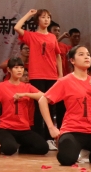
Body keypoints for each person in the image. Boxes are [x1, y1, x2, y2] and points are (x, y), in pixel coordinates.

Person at [14, 9, 62, 150]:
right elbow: (17, 27)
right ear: (37, 20)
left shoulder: (52, 37)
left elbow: (58, 56)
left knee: (51, 107)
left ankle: (50, 138)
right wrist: (29, 14)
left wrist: (60, 75)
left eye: (48, 17)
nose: (46, 19)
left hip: (52, 75)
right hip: (36, 75)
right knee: (38, 108)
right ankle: (39, 138)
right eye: (43, 17)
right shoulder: (32, 36)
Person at [0, 57, 48, 156]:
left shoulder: (27, 87)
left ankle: (20, 148)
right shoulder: (1, 86)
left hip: (24, 129)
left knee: (43, 147)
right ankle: (5, 147)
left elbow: (44, 96)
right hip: (6, 128)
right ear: (9, 69)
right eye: (16, 67)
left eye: (21, 67)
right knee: (10, 149)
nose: (19, 70)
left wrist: (25, 94)